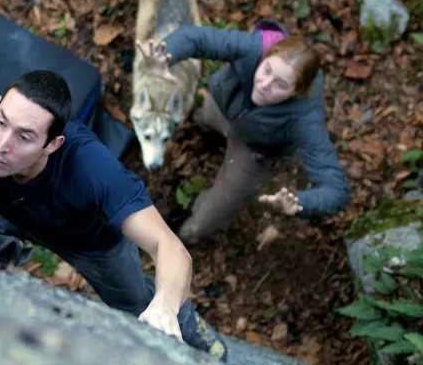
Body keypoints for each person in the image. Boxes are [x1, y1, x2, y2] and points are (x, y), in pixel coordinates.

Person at [0, 70, 229, 361]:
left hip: (88, 241)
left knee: (140, 303)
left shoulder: (93, 168)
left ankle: (188, 323)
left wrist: (166, 308)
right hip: (2, 206)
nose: (1, 145)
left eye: (24, 137)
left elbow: (169, 246)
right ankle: (4, 248)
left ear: (52, 145)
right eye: (1, 122)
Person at [138, 19, 351, 244]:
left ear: (296, 91)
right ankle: (204, 126)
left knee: (204, 222)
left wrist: (299, 203)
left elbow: (336, 191)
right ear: (265, 56)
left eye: (280, 85)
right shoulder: (253, 48)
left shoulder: (305, 119)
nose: (264, 84)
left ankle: (185, 237)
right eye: (266, 70)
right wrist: (167, 54)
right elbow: (195, 38)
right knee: (204, 116)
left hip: (256, 149)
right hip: (224, 107)